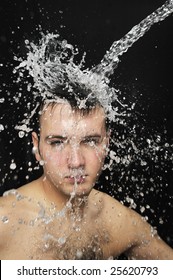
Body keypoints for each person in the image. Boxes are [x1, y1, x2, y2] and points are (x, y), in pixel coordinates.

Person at [0, 83, 173, 260]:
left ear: (106, 144)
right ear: (37, 147)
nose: (76, 162)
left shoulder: (118, 221)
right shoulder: (5, 221)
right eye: (57, 142)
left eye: (90, 141)